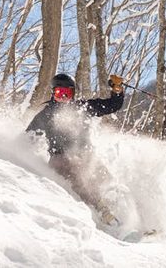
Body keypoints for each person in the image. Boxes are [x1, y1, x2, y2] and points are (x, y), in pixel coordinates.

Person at [26, 72, 125, 225]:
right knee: (80, 177)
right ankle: (106, 218)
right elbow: (28, 139)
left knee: (106, 180)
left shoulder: (82, 107)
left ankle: (124, 217)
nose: (64, 97)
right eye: (60, 92)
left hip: (86, 155)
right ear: (53, 93)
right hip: (61, 159)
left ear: (73, 94)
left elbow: (112, 105)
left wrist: (117, 90)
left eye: (68, 93)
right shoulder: (45, 115)